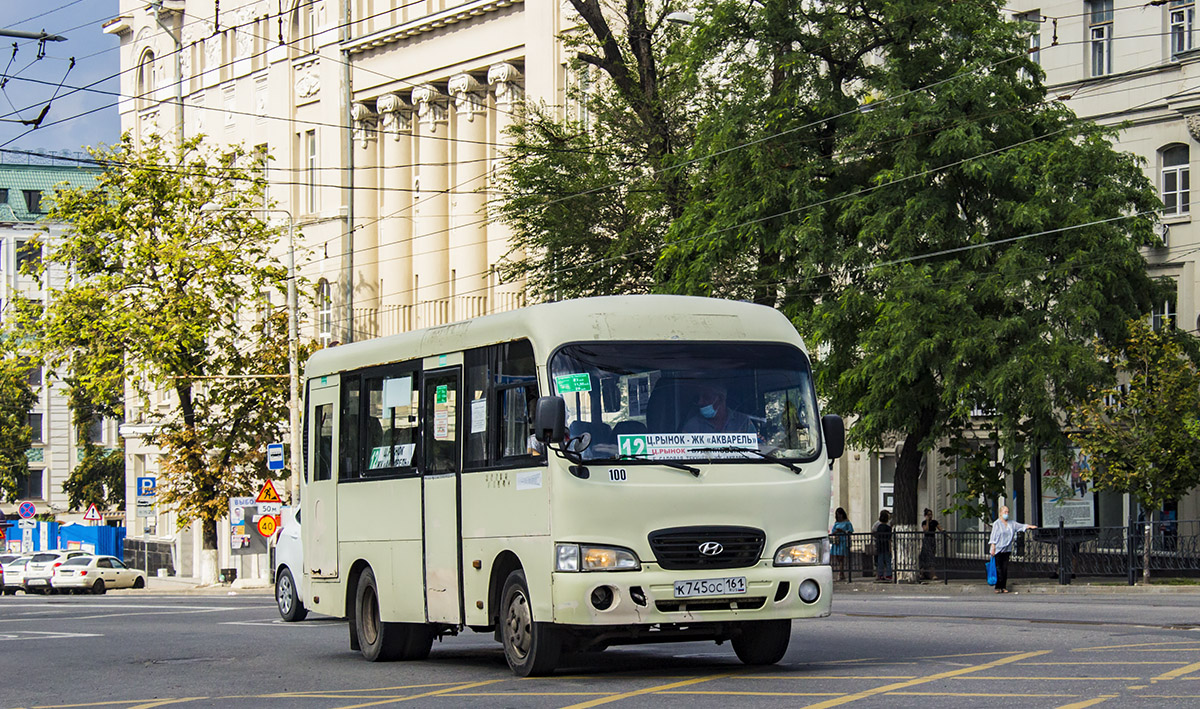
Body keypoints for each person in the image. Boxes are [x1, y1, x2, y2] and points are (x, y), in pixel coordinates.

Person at [988, 505, 1037, 594]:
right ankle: (998, 587)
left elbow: (1021, 526)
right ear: (1000, 513)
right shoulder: (997, 523)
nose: (1006, 514)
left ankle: (1003, 586)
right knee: (998, 568)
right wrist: (993, 547)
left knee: (1005, 568)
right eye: (1004, 512)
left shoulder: (1011, 523)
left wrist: (1030, 526)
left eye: (1007, 512)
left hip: (1007, 549)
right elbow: (993, 536)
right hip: (998, 549)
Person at [681, 384, 757, 434]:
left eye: (706, 398)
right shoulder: (692, 425)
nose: (700, 402)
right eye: (698, 398)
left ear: (721, 399)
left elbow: (757, 448)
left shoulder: (743, 422)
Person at [830, 508, 853, 581]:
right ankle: (841, 573)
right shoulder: (836, 523)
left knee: (841, 557)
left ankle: (840, 573)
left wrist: (843, 531)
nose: (839, 516)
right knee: (837, 557)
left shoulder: (847, 522)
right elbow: (832, 532)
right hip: (837, 541)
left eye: (840, 515)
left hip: (843, 540)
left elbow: (850, 531)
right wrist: (836, 531)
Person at [872, 510, 893, 581]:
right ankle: (889, 574)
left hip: (880, 545)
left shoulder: (879, 526)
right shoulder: (888, 528)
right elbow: (889, 538)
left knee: (880, 560)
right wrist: (890, 547)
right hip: (886, 545)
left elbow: (876, 534)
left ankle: (880, 575)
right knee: (888, 560)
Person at [920, 508, 940, 580]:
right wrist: (927, 521)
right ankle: (922, 573)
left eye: (931, 514)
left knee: (931, 556)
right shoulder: (924, 523)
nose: (930, 516)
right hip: (926, 540)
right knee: (924, 556)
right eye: (928, 515)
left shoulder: (934, 522)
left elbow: (940, 528)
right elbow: (926, 530)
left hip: (932, 540)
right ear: (925, 516)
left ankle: (932, 574)